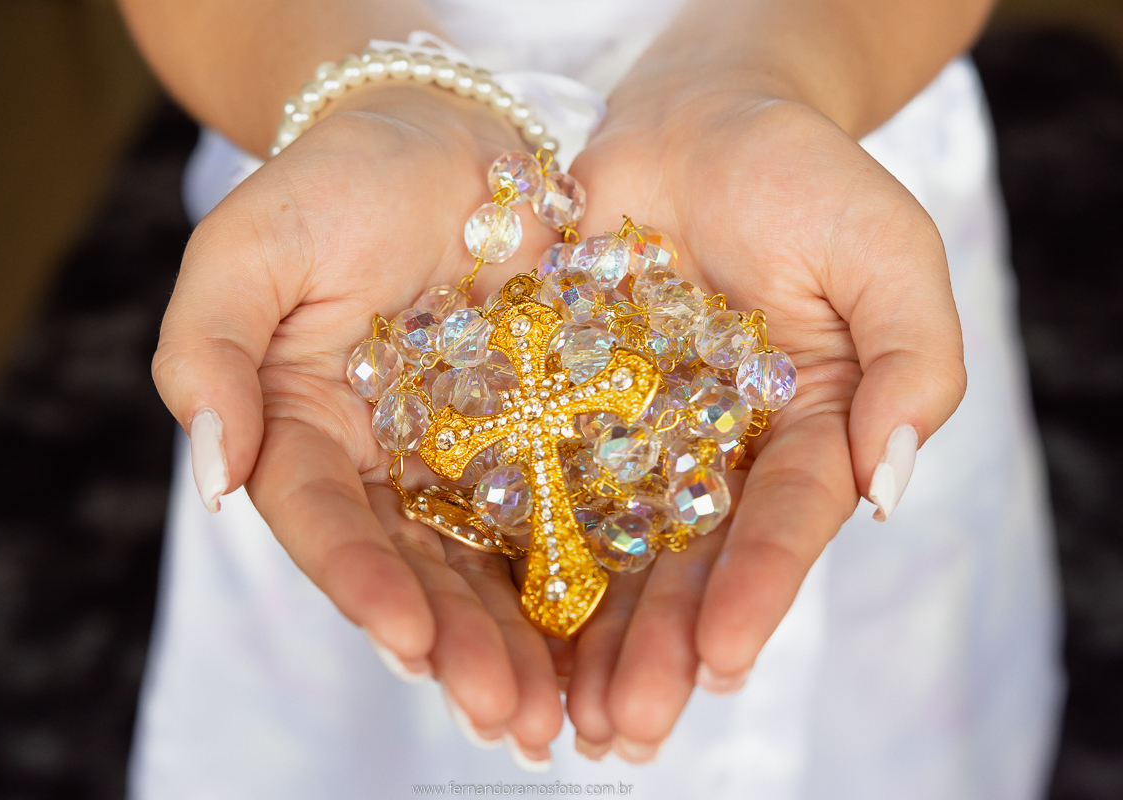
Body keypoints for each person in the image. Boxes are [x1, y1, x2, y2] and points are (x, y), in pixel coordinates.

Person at [119, 0, 1064, 797]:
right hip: (347, 206)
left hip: (818, 118)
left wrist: (763, 68)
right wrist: (379, 96)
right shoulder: (447, 392)